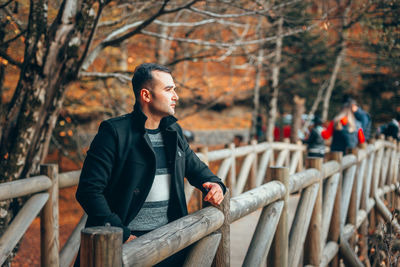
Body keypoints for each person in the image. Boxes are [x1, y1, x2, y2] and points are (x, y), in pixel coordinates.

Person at [75, 63, 226, 266]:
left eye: (174, 89)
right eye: (168, 89)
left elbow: (197, 170)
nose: (176, 96)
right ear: (146, 95)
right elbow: (88, 190)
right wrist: (121, 233)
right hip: (123, 247)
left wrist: (215, 184)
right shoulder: (113, 132)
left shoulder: (174, 132)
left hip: (170, 243)